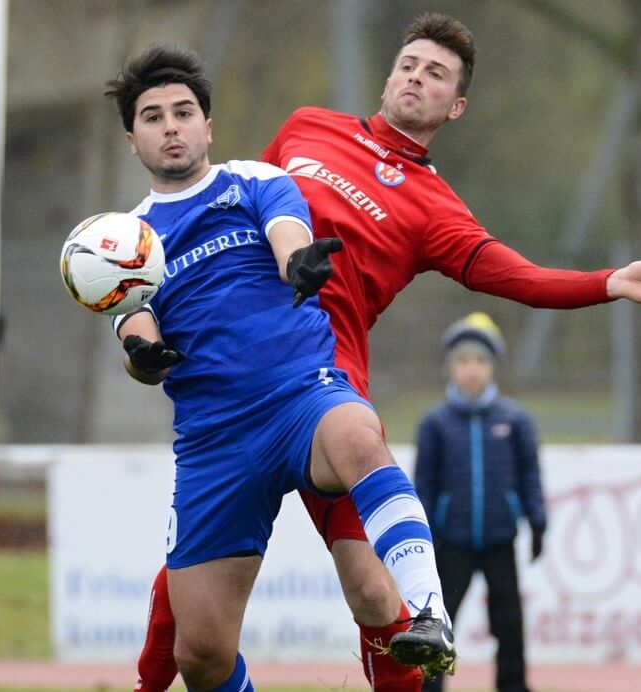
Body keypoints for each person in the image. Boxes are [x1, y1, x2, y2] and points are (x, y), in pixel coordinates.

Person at [137, 12, 641, 691]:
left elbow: (516, 276)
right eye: (409, 64)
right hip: (236, 387)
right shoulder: (308, 126)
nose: (415, 78)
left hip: (323, 392)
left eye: (436, 74)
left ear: (454, 107)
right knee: (200, 630)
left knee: (374, 595)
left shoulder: (433, 209)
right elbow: (232, 206)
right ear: (389, 74)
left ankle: (428, 622)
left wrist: (608, 282)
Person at [105, 44, 458, 690]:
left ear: (207, 125)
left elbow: (287, 234)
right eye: (153, 117)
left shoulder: (256, 181)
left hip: (301, 397)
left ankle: (431, 611)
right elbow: (133, 318)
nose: (171, 126)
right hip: (215, 440)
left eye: (183, 112)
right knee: (202, 653)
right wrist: (143, 354)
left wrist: (299, 265)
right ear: (133, 139)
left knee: (358, 437)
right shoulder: (124, 239)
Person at [414, 313, 545, 692]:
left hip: (498, 539)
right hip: (450, 542)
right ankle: (428, 686)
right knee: (439, 622)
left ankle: (513, 686)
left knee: (509, 622)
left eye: (480, 361)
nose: (471, 370)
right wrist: (424, 533)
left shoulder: (515, 420)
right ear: (450, 368)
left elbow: (530, 475)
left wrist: (537, 522)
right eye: (463, 361)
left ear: (493, 368)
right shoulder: (435, 423)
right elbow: (424, 483)